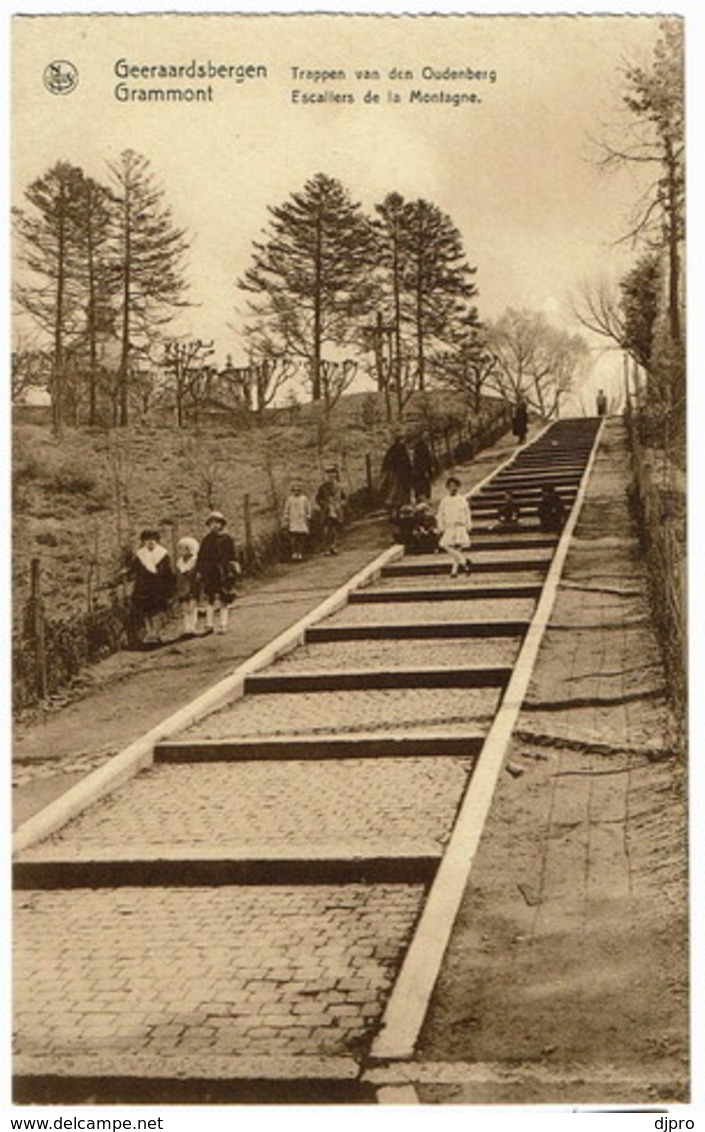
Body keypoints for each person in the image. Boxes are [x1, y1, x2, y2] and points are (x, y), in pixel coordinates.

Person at [196, 511, 241, 633]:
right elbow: (201, 557)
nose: (215, 526)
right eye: (212, 523)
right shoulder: (206, 540)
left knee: (224, 597)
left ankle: (223, 624)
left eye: (217, 523)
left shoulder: (227, 539)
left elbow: (233, 555)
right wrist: (200, 570)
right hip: (210, 572)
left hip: (224, 572)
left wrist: (233, 568)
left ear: (222, 525)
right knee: (209, 597)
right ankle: (209, 625)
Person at [128, 528, 175, 646]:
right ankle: (149, 633)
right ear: (143, 541)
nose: (150, 542)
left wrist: (168, 587)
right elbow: (134, 569)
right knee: (145, 611)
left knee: (156, 611)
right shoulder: (140, 555)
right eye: (147, 540)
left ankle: (156, 633)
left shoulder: (163, 554)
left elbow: (168, 572)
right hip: (143, 587)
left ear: (157, 541)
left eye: (153, 540)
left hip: (158, 587)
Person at [436, 476, 472, 577]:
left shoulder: (462, 499)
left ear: (458, 487)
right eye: (450, 486)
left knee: (458, 548)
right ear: (447, 487)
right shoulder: (444, 501)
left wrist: (468, 524)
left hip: (459, 526)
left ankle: (454, 571)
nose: (452, 488)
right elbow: (440, 514)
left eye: (454, 486)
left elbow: (467, 513)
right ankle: (464, 562)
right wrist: (441, 526)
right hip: (449, 527)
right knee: (444, 544)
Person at [381, 433, 413, 518]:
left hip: (394, 474)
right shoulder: (401, 449)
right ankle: (396, 511)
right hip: (399, 475)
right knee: (397, 493)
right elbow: (406, 462)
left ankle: (394, 511)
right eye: (402, 440)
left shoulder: (391, 449)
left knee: (393, 493)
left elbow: (386, 463)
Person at [315, 466, 346, 555]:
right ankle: (327, 548)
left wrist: (339, 504)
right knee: (327, 529)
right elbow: (318, 499)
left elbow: (344, 498)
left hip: (336, 510)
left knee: (335, 529)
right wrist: (324, 504)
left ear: (336, 475)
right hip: (327, 511)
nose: (331, 476)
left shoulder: (339, 486)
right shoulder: (323, 487)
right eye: (328, 474)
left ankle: (334, 546)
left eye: (332, 474)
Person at [174, 535, 200, 638]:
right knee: (184, 608)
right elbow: (178, 574)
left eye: (184, 548)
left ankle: (193, 627)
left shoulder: (195, 560)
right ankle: (186, 628)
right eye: (180, 548)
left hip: (193, 586)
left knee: (192, 607)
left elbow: (195, 575)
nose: (181, 550)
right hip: (182, 586)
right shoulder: (179, 561)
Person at [282, 481, 312, 561]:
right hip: (293, 520)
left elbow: (308, 509)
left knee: (301, 537)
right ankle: (294, 553)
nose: (296, 492)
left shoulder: (304, 499)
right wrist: (286, 518)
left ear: (301, 491)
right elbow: (286, 509)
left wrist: (308, 516)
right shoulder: (289, 499)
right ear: (292, 491)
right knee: (293, 538)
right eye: (295, 490)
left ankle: (300, 553)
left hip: (302, 520)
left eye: (298, 490)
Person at [411, 434, 438, 502]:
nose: (427, 439)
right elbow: (423, 460)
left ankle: (422, 498)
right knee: (422, 485)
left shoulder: (422, 446)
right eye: (426, 437)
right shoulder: (422, 447)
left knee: (422, 485)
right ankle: (423, 499)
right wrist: (425, 470)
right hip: (421, 470)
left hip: (420, 470)